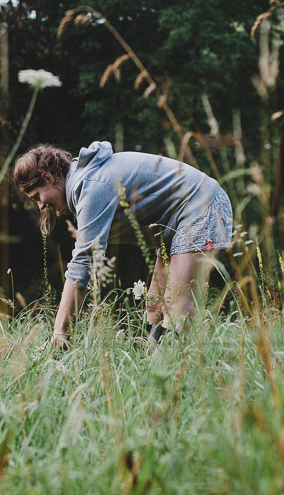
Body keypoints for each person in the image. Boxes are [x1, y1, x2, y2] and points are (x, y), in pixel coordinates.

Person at [14, 141, 232, 348]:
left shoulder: (91, 186)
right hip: (176, 221)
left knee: (177, 306)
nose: (41, 206)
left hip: (202, 204)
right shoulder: (86, 183)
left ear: (48, 178)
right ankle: (153, 370)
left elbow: (83, 263)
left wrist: (60, 331)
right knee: (155, 305)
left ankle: (177, 377)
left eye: (37, 196)